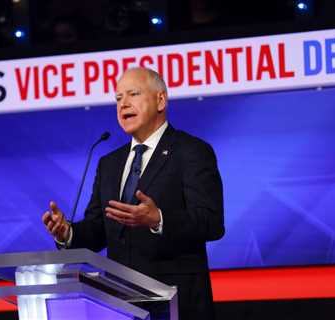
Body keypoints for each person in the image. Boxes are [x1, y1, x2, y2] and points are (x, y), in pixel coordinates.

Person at [42, 67, 225, 319]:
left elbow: (211, 223)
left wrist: (158, 219)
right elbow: (99, 230)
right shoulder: (109, 163)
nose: (123, 104)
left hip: (179, 306)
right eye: (118, 98)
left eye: (133, 94)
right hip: (122, 306)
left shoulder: (191, 151)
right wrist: (68, 233)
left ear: (161, 100)